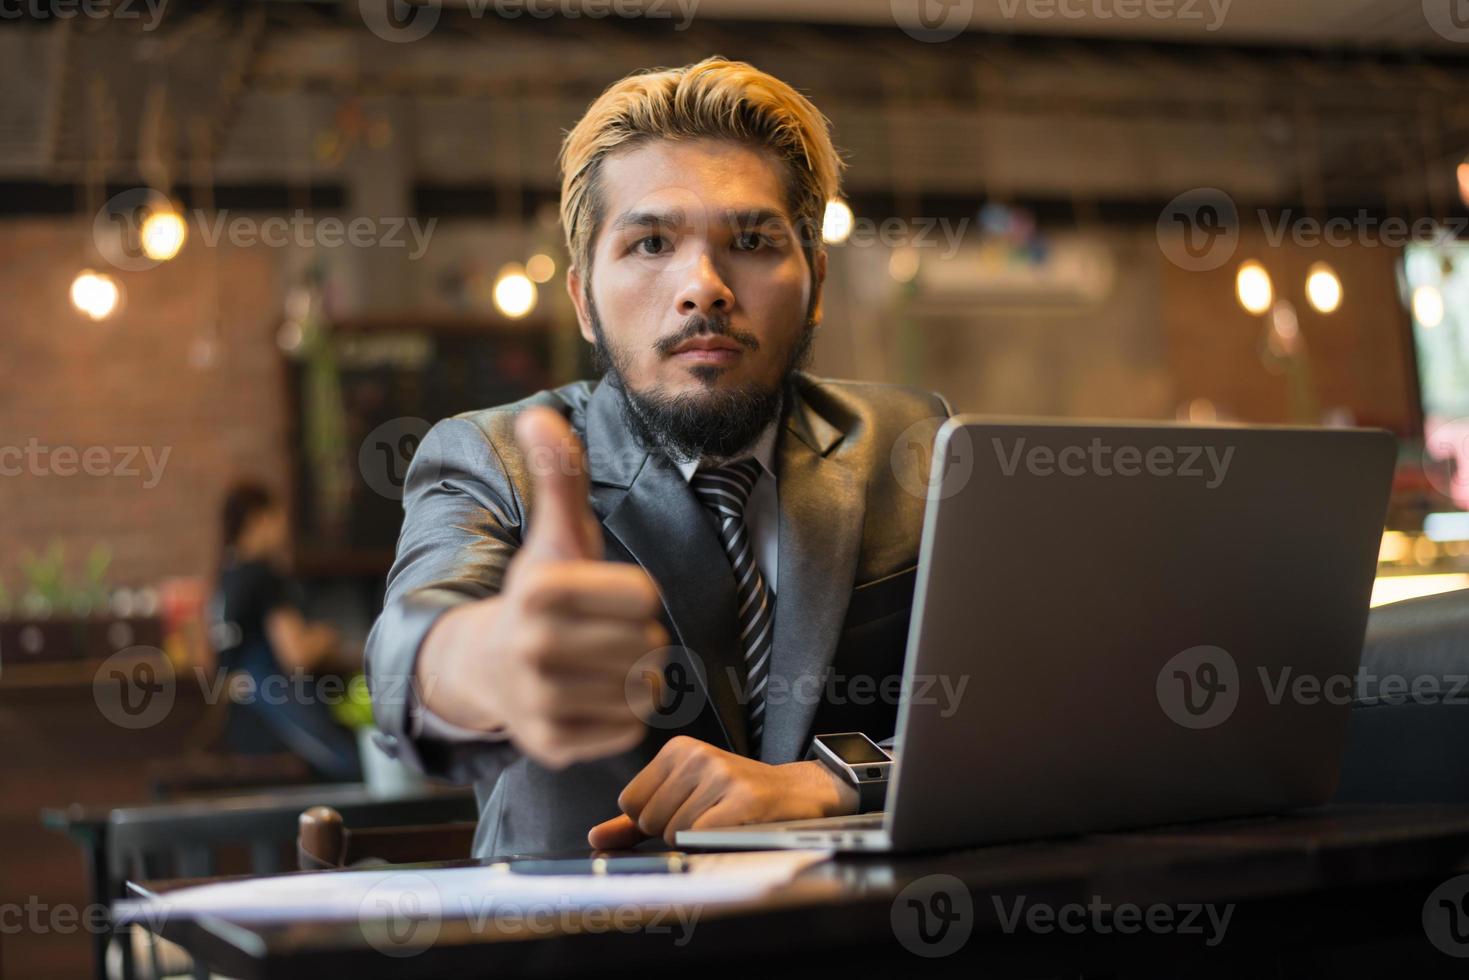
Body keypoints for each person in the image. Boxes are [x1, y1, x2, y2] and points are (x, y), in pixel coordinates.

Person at [365, 57, 951, 857]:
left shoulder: (911, 441)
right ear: (582, 299)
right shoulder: (494, 458)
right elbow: (410, 653)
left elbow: (1030, 713)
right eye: (649, 243)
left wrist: (840, 780)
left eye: (750, 240)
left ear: (814, 281)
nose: (702, 287)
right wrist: (489, 658)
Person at [211, 481, 361, 780]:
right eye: (278, 518)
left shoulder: (225, 576)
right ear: (260, 519)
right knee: (352, 765)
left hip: (240, 723)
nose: (282, 529)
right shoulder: (263, 575)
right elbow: (296, 655)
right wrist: (327, 636)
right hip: (278, 718)